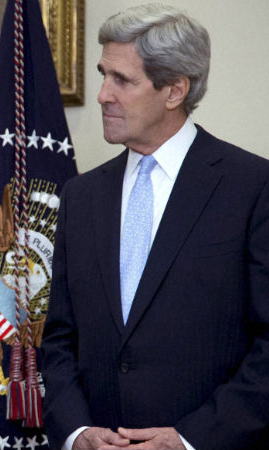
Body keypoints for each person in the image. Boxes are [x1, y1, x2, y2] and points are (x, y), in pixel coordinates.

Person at [41, 4, 269, 450]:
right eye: (103, 75)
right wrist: (76, 432)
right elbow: (60, 338)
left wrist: (190, 439)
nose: (103, 95)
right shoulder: (80, 196)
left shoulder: (253, 187)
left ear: (174, 91)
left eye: (122, 80)